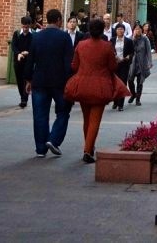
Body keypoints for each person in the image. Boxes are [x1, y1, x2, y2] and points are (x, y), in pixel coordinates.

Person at [65, 19, 126, 164]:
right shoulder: (107, 46)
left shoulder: (81, 45)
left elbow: (74, 66)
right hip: (100, 87)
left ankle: (89, 147)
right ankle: (87, 150)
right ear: (102, 29)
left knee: (87, 119)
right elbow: (112, 66)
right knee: (95, 121)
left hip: (82, 85)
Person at [28, 9, 75, 157]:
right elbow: (69, 63)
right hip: (59, 82)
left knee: (40, 115)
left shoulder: (36, 37)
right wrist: (70, 81)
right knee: (63, 112)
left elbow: (30, 60)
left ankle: (40, 149)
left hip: (39, 81)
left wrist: (28, 79)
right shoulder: (64, 37)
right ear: (59, 20)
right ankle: (54, 139)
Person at [110, 23, 135, 112]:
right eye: (118, 29)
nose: (120, 31)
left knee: (123, 83)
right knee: (114, 83)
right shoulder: (112, 40)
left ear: (124, 30)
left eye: (122, 29)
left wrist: (128, 56)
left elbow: (132, 52)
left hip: (124, 64)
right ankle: (115, 101)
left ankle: (121, 104)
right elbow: (109, 51)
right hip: (115, 64)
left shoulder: (128, 41)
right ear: (115, 31)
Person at [128, 21, 153, 107]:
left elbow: (149, 51)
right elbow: (128, 50)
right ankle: (133, 94)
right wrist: (133, 38)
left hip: (142, 62)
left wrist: (150, 62)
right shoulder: (131, 39)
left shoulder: (145, 39)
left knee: (140, 82)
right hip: (132, 63)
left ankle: (138, 99)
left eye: (139, 29)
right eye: (136, 29)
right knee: (130, 80)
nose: (137, 31)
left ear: (141, 30)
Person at [12, 15, 34, 108]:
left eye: (27, 27)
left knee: (26, 79)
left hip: (28, 61)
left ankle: (24, 99)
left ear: (30, 26)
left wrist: (28, 52)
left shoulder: (33, 35)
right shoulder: (16, 34)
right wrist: (19, 53)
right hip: (18, 60)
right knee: (19, 80)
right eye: (24, 27)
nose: (25, 29)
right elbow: (14, 46)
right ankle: (22, 97)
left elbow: (34, 47)